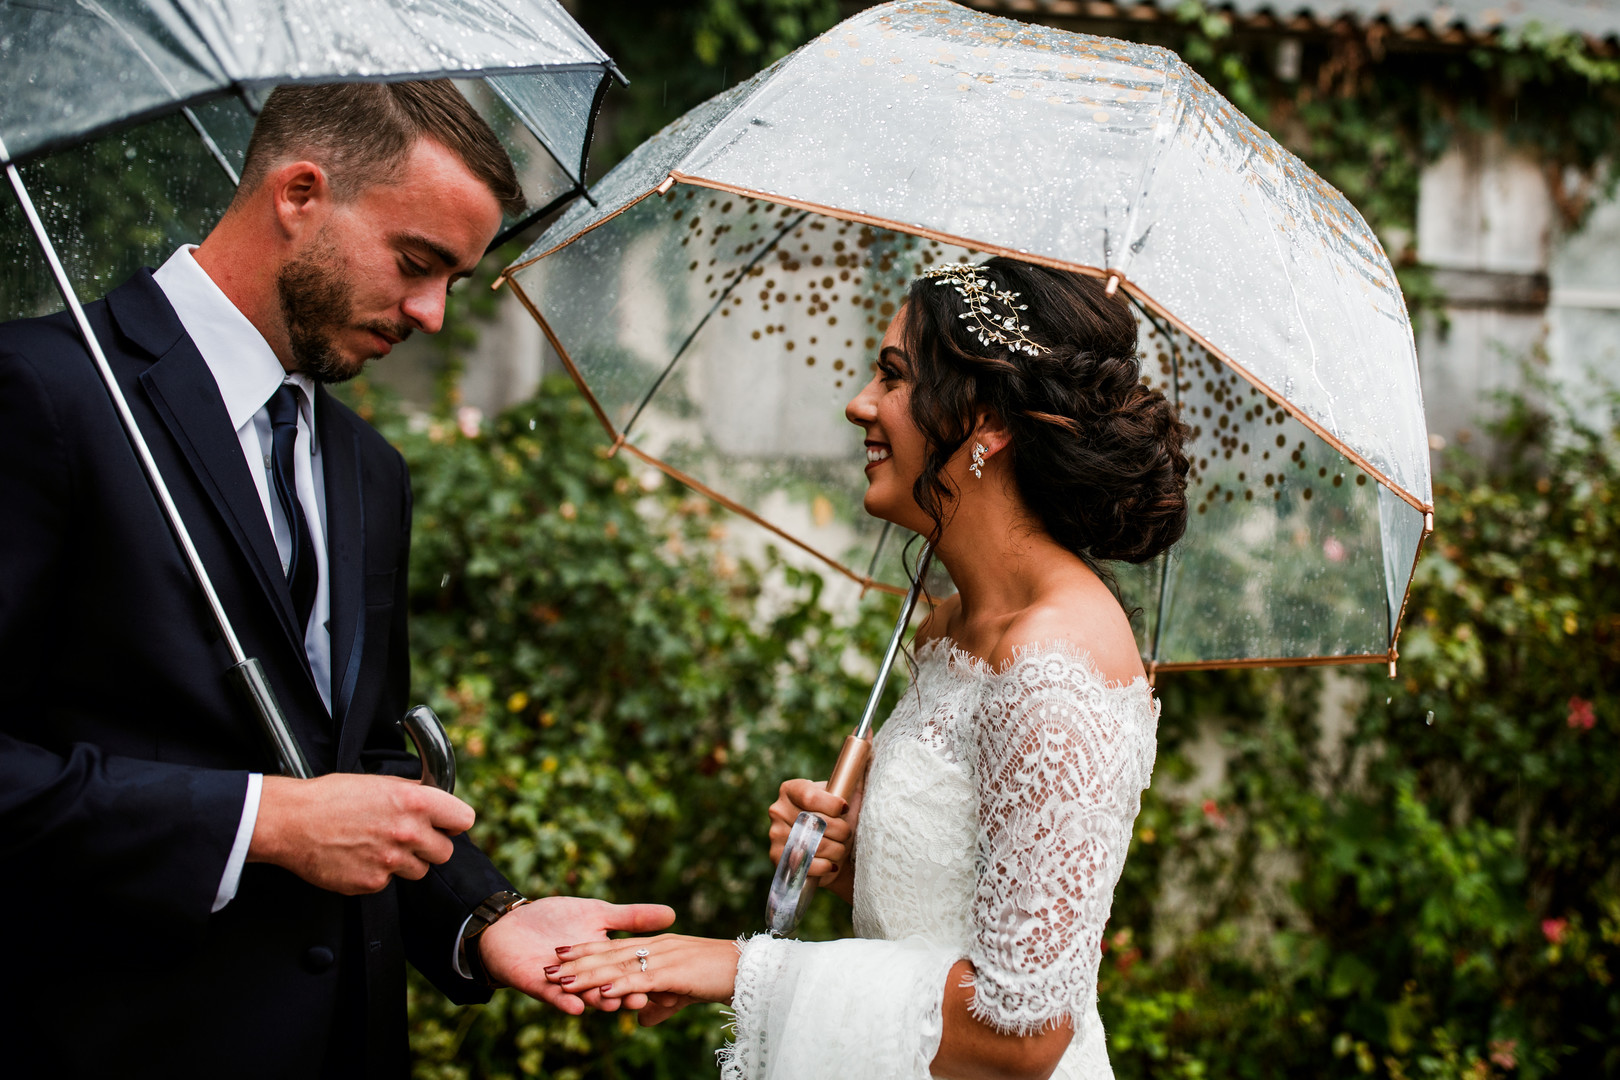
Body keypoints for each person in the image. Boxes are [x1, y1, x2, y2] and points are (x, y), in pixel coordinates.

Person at [0, 80, 670, 1078]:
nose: (434, 314)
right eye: (417, 263)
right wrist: (258, 822)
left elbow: (353, 762)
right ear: (299, 193)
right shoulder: (41, 394)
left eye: (454, 279)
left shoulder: (368, 468)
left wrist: (486, 918)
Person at [541, 258, 1191, 1078]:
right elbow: (940, 918)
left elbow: (1020, 1035)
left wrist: (741, 972)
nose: (860, 404)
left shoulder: (1054, 661)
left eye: (892, 376)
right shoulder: (948, 624)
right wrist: (853, 861)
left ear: (984, 423)